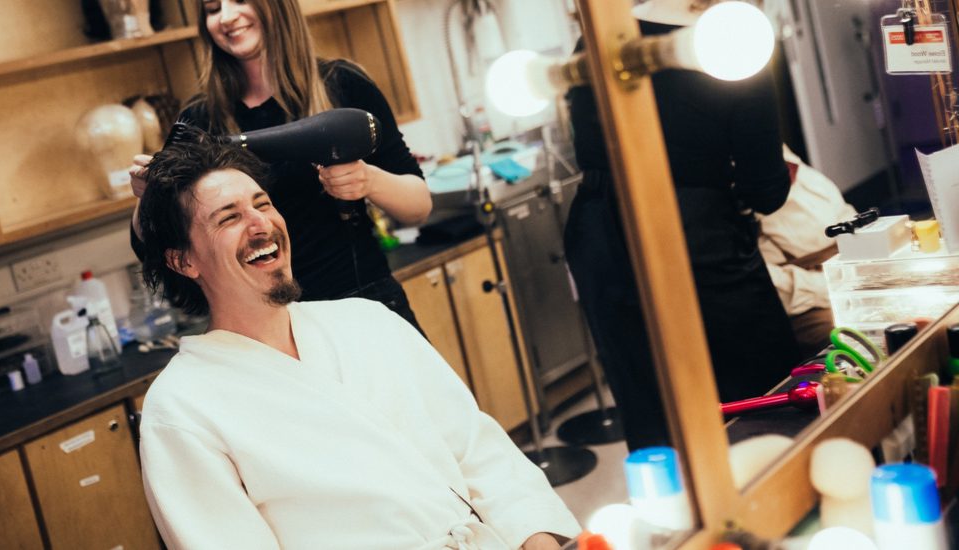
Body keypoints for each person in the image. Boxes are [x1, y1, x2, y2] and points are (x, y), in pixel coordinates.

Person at [135, 134, 580, 549]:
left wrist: (536, 539)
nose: (260, 224)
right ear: (184, 261)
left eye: (263, 204)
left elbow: (480, 452)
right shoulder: (182, 409)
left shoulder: (368, 322)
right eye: (229, 218)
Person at [563, 0, 800, 449]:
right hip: (694, 227)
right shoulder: (733, 40)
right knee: (764, 398)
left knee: (651, 407)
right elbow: (765, 190)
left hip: (597, 231)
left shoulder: (603, 37)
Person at [128, 0, 431, 328]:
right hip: (268, 326)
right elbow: (154, 245)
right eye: (213, 9)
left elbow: (419, 207)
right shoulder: (199, 120)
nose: (226, 17)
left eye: (240, 1)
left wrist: (368, 180)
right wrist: (147, 195)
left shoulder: (343, 84)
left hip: (365, 305)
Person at [757, 145, 858, 356]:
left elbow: (847, 216)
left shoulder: (797, 168)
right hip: (804, 305)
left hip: (848, 277)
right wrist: (831, 288)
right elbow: (764, 280)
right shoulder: (737, 196)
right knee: (856, 336)